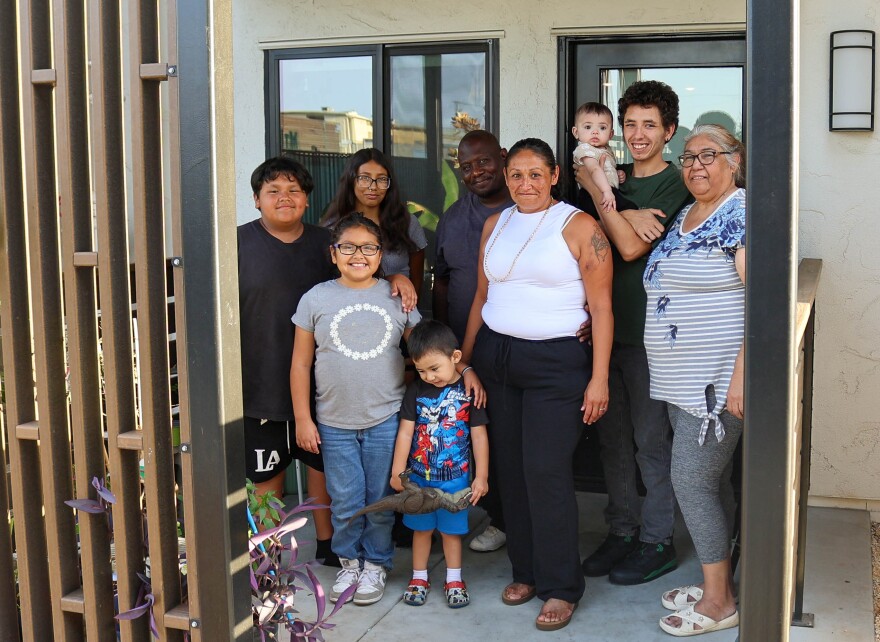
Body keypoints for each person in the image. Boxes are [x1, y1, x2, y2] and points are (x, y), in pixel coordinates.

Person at [462, 138, 613, 631]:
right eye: (516, 175)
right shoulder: (495, 223)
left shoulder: (578, 226)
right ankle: (525, 571)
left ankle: (561, 586)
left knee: (545, 471)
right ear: (507, 179)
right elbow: (482, 295)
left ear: (552, 176)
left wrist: (599, 378)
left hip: (556, 363)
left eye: (535, 175)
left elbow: (603, 308)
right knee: (509, 470)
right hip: (497, 357)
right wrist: (464, 359)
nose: (524, 184)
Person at [574, 80, 692, 586]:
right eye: (630, 124)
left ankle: (657, 539)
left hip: (650, 336)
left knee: (650, 441)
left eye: (650, 125)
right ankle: (622, 531)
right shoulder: (614, 177)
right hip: (605, 334)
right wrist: (620, 206)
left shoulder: (673, 184)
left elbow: (626, 248)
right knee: (612, 442)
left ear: (669, 131)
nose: (637, 134)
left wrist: (607, 203)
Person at [644, 125, 745, 637]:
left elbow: (762, 302)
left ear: (735, 160)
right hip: (679, 380)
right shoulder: (687, 214)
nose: (696, 165)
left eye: (709, 155)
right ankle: (719, 583)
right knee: (714, 482)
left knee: (693, 480)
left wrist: (743, 378)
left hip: (715, 384)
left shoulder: (742, 213)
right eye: (688, 157)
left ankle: (720, 603)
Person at [290, 215, 421, 606]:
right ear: (334, 253)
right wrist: (302, 417)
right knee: (345, 499)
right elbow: (300, 363)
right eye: (348, 246)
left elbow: (422, 350)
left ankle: (376, 565)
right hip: (333, 422)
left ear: (381, 255)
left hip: (387, 417)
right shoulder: (316, 298)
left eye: (369, 248)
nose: (358, 255)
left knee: (381, 499)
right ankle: (350, 562)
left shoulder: (397, 297)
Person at [238, 155, 338, 565]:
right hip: (258, 381)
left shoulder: (328, 244)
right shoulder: (233, 245)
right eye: (273, 191)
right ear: (256, 200)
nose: (284, 198)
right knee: (266, 478)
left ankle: (331, 546)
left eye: (294, 191)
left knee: (323, 472)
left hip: (324, 381)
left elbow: (364, 275)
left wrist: (399, 278)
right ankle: (267, 556)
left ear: (307, 200)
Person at [434, 129, 512, 553]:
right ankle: (485, 513)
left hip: (516, 346)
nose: (476, 172)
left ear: (502, 158)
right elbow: (442, 283)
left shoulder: (528, 206)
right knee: (470, 433)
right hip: (465, 350)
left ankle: (506, 519)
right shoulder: (453, 216)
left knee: (509, 436)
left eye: (483, 162)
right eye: (466, 167)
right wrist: (446, 347)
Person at [390, 319, 489, 609]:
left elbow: (479, 436)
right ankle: (419, 577)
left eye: (434, 368)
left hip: (456, 481)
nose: (429, 376)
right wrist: (398, 471)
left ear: (455, 357)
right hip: (419, 478)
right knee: (420, 530)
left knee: (451, 531)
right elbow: (406, 431)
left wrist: (481, 476)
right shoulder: (416, 391)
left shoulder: (469, 394)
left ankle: (454, 579)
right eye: (421, 370)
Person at [322, 148, 427, 303]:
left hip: (397, 312)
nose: (373, 186)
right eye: (364, 178)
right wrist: (391, 278)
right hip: (346, 309)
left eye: (382, 179)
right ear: (351, 180)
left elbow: (417, 279)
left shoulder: (407, 222)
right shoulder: (332, 226)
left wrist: (409, 309)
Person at [571, 101, 637, 216]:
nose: (595, 132)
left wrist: (616, 174)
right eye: (588, 127)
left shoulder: (606, 149)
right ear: (576, 132)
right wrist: (607, 191)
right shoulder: (585, 149)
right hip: (591, 194)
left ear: (611, 134)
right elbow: (594, 169)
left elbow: (606, 168)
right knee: (631, 209)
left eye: (602, 128)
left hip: (607, 191)